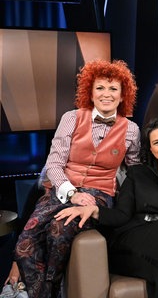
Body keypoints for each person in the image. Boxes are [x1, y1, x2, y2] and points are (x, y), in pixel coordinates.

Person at [10, 60, 140, 298]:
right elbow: (54, 164)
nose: (106, 94)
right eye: (100, 88)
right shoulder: (71, 118)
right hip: (62, 190)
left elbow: (135, 170)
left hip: (99, 195)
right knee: (23, 246)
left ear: (123, 96)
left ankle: (47, 291)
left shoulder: (131, 129)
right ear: (90, 92)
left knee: (59, 230)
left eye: (113, 89)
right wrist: (72, 193)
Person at [55, 118, 158, 298]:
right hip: (134, 240)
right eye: (156, 142)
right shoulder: (138, 174)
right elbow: (121, 215)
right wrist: (94, 210)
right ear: (150, 148)